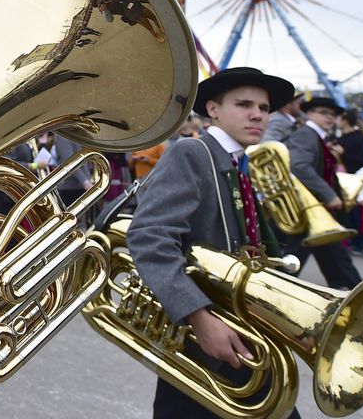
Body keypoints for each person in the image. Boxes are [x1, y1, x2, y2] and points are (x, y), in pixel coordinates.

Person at [127, 67, 298, 419]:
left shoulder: (238, 162)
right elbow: (149, 236)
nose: (257, 115)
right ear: (213, 109)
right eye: (244, 104)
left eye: (264, 108)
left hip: (240, 328)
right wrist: (198, 316)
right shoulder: (192, 152)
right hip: (205, 332)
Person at [284, 97, 362, 289]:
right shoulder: (306, 134)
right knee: (292, 263)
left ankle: (351, 293)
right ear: (310, 113)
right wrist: (329, 195)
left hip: (316, 211)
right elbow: (299, 166)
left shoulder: (316, 135)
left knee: (332, 258)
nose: (330, 117)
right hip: (309, 209)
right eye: (324, 112)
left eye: (333, 115)